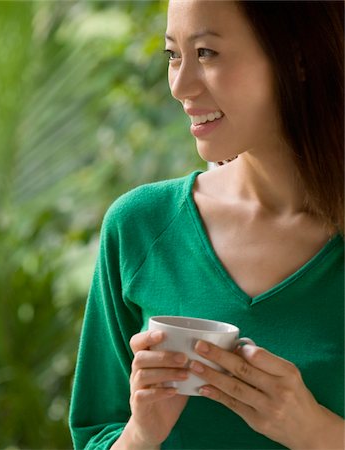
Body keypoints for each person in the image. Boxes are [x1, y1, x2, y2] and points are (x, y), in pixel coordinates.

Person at [69, 1, 344, 448]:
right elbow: (96, 433)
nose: (179, 85)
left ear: (297, 57)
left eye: (207, 53)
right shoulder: (140, 226)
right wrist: (142, 432)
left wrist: (315, 432)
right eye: (173, 55)